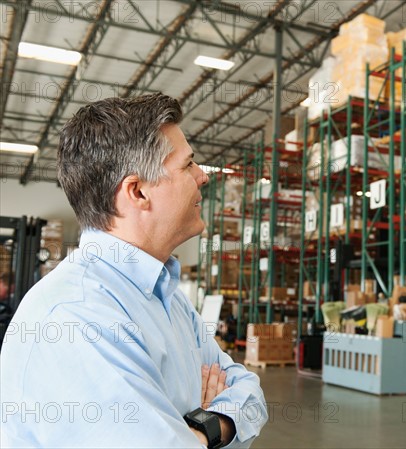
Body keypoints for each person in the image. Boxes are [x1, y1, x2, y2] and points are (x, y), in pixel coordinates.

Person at [0, 93, 268, 448]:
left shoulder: (167, 297)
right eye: (188, 166)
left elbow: (249, 392)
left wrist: (204, 427)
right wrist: (210, 425)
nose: (202, 177)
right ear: (138, 191)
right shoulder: (76, 317)